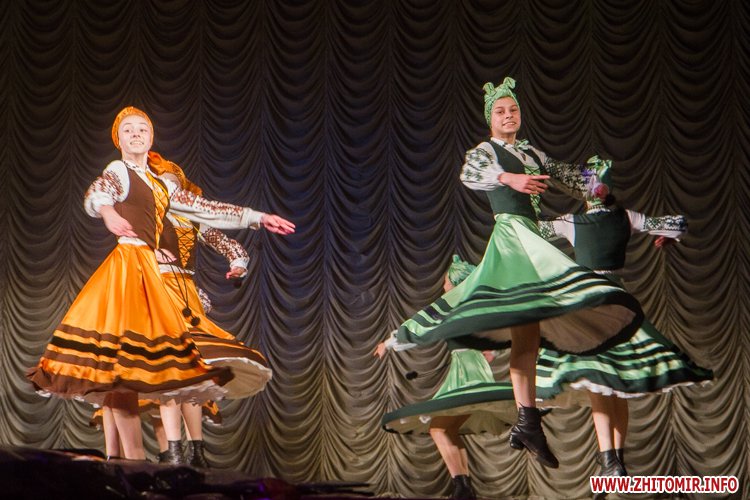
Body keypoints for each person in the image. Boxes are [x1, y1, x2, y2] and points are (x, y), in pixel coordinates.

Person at [394, 77, 646, 468]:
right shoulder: (486, 151)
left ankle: (528, 422)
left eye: (513, 110)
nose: (508, 115)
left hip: (533, 237)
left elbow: (572, 177)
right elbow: (470, 172)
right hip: (513, 238)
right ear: (490, 119)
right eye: (500, 111)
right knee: (530, 320)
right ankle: (529, 419)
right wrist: (508, 178)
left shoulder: (531, 153)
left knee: (529, 331)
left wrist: (600, 186)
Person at [27, 106, 294, 460]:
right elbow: (99, 191)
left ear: (151, 138)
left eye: (142, 129)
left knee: (136, 368)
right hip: (129, 267)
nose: (136, 134)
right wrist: (108, 213)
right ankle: (130, 459)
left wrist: (258, 218)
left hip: (151, 273)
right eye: (128, 130)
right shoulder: (119, 169)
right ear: (119, 140)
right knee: (119, 363)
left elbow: (206, 209)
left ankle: (139, 459)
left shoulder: (161, 186)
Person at [535, 158, 713, 490]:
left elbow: (532, 228)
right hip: (619, 303)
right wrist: (669, 236)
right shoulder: (626, 217)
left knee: (598, 380)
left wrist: (528, 197)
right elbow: (678, 223)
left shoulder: (573, 221)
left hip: (588, 303)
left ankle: (609, 460)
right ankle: (615, 460)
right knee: (614, 384)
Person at [152, 166, 274, 466]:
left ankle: (195, 451)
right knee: (165, 371)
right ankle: (172, 452)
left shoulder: (193, 219)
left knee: (188, 373)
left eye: (174, 183)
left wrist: (238, 264)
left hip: (183, 294)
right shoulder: (146, 215)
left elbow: (229, 245)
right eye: (163, 183)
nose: (169, 188)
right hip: (154, 290)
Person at [377, 256, 519, 500]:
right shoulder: (472, 305)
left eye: (446, 281)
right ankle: (463, 487)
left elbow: (422, 325)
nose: (443, 286)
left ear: (455, 282)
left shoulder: (452, 302)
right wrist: (489, 351)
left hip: (467, 371)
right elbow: (494, 333)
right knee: (444, 428)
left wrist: (388, 343)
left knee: (439, 428)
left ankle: (462, 487)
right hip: (468, 366)